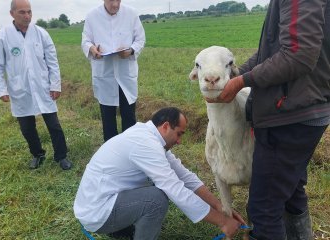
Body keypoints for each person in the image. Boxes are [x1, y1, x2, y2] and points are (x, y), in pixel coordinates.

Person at [206, 0, 330, 239]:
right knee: (290, 190)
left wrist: (242, 81)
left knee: (264, 208)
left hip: (290, 114)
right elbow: (274, 53)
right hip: (304, 106)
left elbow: (298, 55)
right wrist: (239, 73)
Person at [74, 107, 245, 240]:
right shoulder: (146, 144)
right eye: (179, 134)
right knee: (155, 199)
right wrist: (222, 222)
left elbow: (185, 177)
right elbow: (175, 188)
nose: (179, 141)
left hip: (99, 202)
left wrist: (219, 206)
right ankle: (119, 227)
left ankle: (121, 227)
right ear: (165, 127)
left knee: (154, 188)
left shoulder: (148, 138)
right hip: (97, 212)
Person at [0, 0, 72, 170]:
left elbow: (52, 61)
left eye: (29, 12)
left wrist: (55, 85)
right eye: (22, 12)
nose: (27, 16)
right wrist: (1, 89)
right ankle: (38, 154)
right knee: (27, 128)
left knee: (54, 125)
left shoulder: (41, 33)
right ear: (12, 13)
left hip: (43, 87)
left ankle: (61, 156)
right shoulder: (2, 36)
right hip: (20, 89)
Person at [81, 0, 146, 142]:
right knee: (107, 117)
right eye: (111, 0)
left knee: (129, 116)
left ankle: (130, 149)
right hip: (105, 74)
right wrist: (92, 49)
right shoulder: (92, 16)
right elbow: (86, 41)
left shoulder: (131, 14)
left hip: (125, 73)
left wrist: (130, 51)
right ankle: (110, 153)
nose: (115, 4)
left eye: (118, 0)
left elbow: (140, 39)